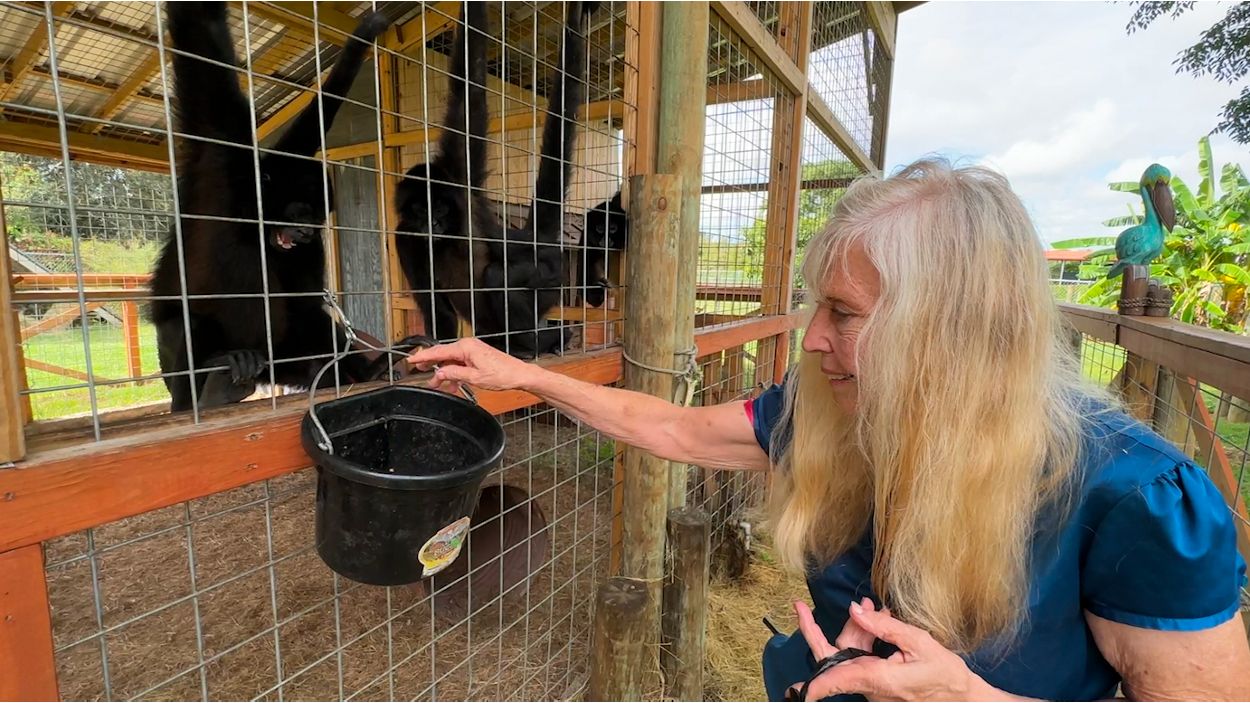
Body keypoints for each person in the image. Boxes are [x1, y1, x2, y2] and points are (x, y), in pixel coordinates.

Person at [408, 159, 1250, 701]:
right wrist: (526, 375)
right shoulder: (831, 412)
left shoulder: (1136, 500)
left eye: (844, 313)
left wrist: (969, 697)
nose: (812, 338)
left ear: (947, 330)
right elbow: (674, 430)